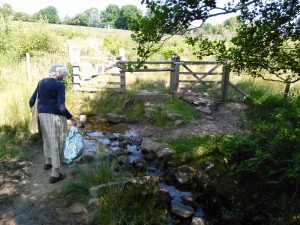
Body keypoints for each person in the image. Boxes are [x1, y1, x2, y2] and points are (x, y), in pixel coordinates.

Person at [29, 64, 77, 184]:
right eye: (63, 75)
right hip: (54, 116)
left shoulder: (42, 82)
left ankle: (48, 162)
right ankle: (55, 174)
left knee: (47, 139)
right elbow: (61, 107)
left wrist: (39, 111)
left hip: (41, 114)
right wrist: (71, 118)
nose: (63, 77)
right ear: (59, 75)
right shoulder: (59, 85)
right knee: (57, 142)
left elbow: (31, 101)